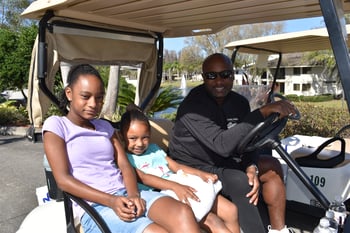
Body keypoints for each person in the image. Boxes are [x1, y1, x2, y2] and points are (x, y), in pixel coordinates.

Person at [42, 64, 202, 233]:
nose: (93, 104)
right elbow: (63, 180)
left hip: (126, 193)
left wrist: (133, 194)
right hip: (95, 205)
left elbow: (125, 165)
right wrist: (111, 200)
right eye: (85, 96)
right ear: (69, 93)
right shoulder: (57, 125)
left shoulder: (104, 126)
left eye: (99, 98)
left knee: (183, 213)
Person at [169, 53, 297, 233]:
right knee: (240, 180)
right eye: (211, 76)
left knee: (271, 165)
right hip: (194, 165)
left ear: (232, 75)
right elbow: (222, 145)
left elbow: (248, 139)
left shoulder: (239, 103)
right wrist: (263, 111)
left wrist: (251, 165)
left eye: (225, 75)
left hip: (223, 159)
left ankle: (279, 229)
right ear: (204, 77)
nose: (219, 81)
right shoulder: (192, 108)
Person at [119, 104, 241, 233]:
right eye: (133, 138)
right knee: (214, 222)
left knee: (231, 210)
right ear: (121, 137)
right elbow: (144, 178)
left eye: (145, 138)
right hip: (163, 193)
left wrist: (201, 174)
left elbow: (176, 167)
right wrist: (175, 186)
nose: (139, 143)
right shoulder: (125, 159)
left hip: (180, 183)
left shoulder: (154, 149)